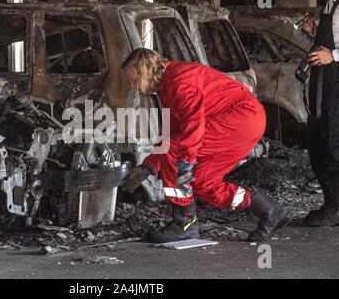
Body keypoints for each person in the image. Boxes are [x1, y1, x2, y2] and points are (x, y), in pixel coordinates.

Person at [121, 48, 289, 242]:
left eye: (134, 80)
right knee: (202, 182)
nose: (133, 87)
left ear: (148, 72)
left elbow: (192, 129)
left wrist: (182, 163)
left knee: (174, 151)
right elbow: (171, 130)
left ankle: (184, 224)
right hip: (246, 121)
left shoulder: (179, 82)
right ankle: (269, 210)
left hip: (242, 118)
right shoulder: (168, 85)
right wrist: (149, 165)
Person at [302, 0, 339, 227]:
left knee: (335, 139)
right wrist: (313, 32)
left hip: (336, 75)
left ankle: (336, 209)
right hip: (325, 77)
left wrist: (333, 55)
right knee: (320, 138)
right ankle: (332, 203)